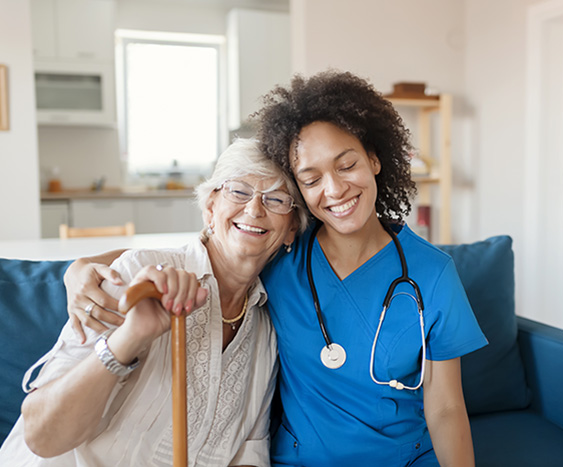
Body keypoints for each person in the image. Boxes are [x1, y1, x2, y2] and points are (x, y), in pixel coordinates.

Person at [62, 71, 487, 466]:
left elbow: (446, 406)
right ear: (300, 190)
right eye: (311, 177)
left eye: (347, 164)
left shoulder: (432, 275)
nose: (335, 189)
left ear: (374, 159)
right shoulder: (283, 255)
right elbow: (199, 250)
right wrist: (80, 266)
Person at [0, 138, 309, 467]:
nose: (254, 209)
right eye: (238, 191)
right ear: (210, 208)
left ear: (292, 228)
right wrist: (131, 335)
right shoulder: (137, 273)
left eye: (276, 199)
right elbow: (41, 436)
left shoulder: (267, 327)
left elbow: (248, 453)